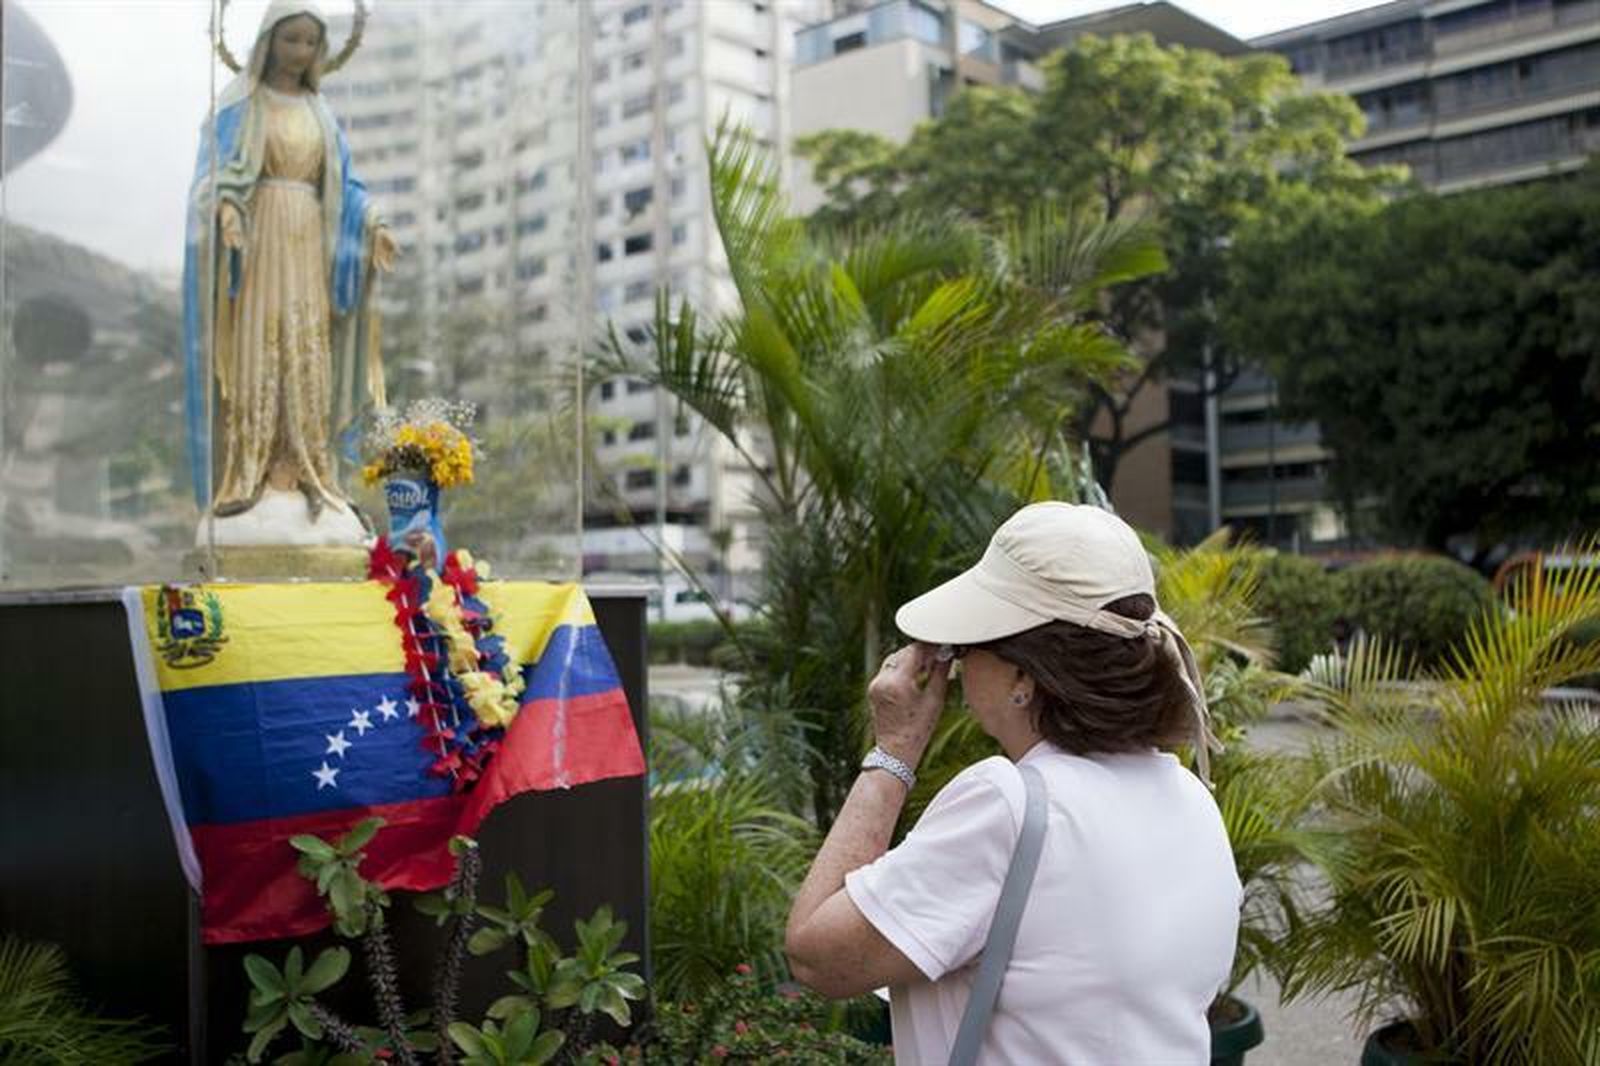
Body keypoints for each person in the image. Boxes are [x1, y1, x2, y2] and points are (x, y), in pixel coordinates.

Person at [785, 502, 1242, 1063]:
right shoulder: (1192, 800)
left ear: (1023, 676)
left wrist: (894, 752)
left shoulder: (1011, 805)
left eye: (968, 646)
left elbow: (815, 955)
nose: (955, 666)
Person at [183, 1, 395, 522]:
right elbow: (213, 175)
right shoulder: (241, 106)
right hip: (259, 243)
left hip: (311, 242)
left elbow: (347, 185)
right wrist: (228, 206)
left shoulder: (321, 114)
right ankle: (251, 468)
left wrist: (374, 224)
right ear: (268, 41)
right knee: (262, 342)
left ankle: (305, 468)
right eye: (291, 39)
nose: (300, 52)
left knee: (307, 346)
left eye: (309, 42)